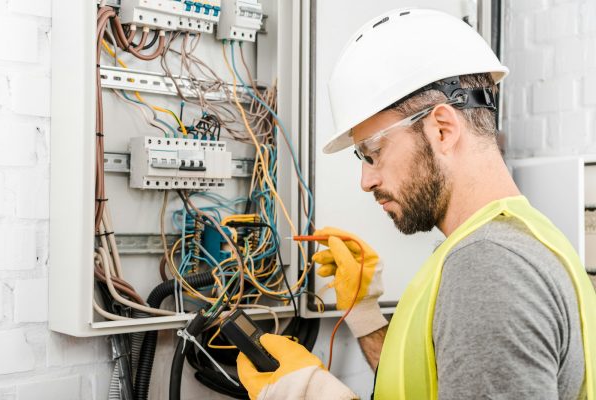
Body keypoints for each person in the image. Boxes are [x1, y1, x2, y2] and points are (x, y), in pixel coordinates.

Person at [236, 8, 596, 400]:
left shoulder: (488, 267)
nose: (366, 180)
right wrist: (365, 314)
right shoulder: (522, 237)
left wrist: (308, 394)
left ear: (442, 130)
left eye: (373, 153)